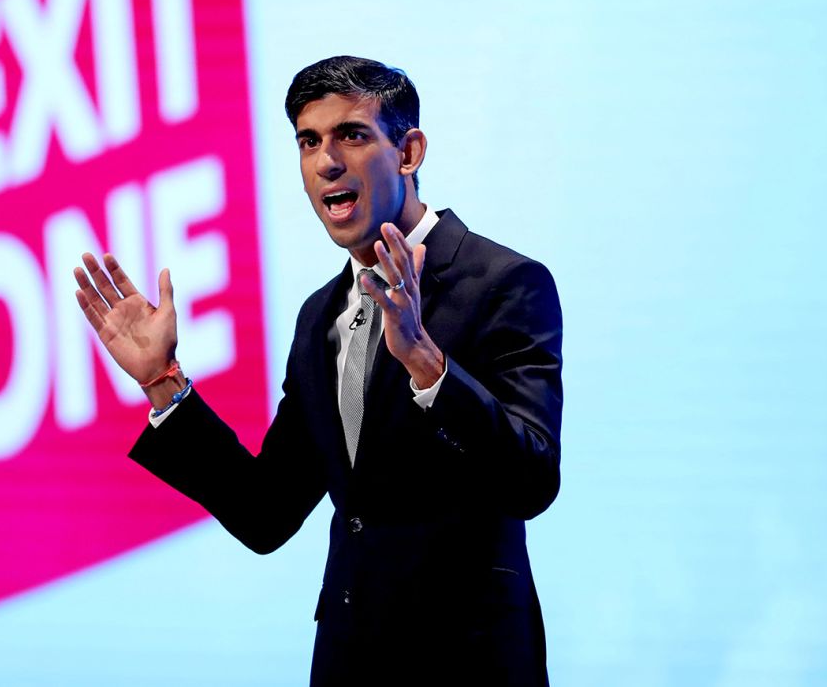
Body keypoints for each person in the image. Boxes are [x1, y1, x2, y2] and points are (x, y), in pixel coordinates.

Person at [72, 55, 563, 686]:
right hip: (350, 664)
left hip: (471, 663)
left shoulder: (503, 283)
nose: (326, 161)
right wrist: (163, 382)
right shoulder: (319, 318)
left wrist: (425, 362)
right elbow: (265, 512)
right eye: (308, 142)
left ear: (408, 152)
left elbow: (531, 480)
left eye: (351, 135)